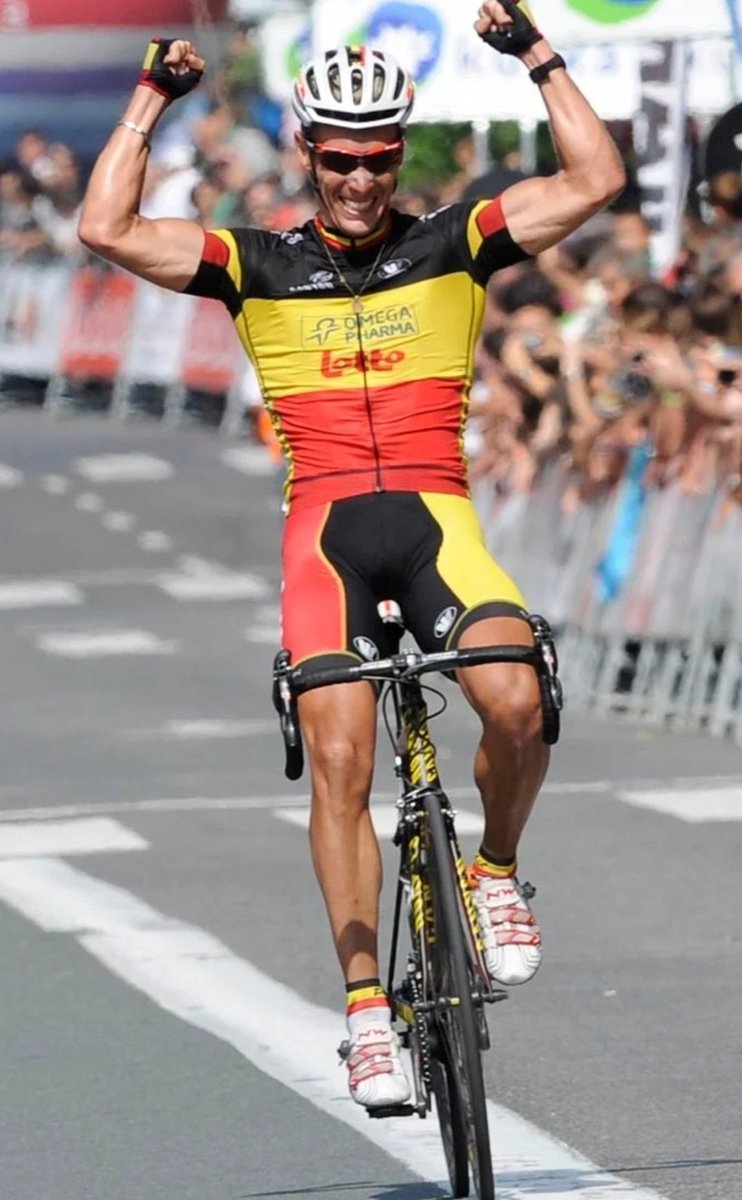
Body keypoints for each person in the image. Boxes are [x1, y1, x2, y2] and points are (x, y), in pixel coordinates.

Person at [79, 1, 625, 1110]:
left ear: (399, 153)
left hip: (435, 521)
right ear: (306, 152)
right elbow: (106, 228)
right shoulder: (256, 262)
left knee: (517, 698)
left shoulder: (455, 241)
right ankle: (367, 1011)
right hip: (325, 534)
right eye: (339, 160)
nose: (360, 180)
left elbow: (595, 180)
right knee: (338, 756)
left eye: (378, 159)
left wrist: (536, 53)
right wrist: (150, 99)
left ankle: (495, 873)